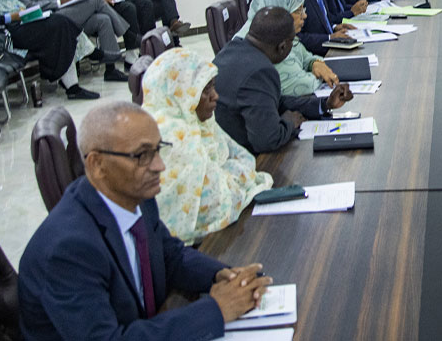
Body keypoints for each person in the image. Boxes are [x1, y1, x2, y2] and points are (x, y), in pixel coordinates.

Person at [18, 102, 273, 340]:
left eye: (158, 150)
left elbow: (170, 256)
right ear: (97, 164)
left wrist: (223, 275)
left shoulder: (135, 196)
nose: (160, 166)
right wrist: (216, 310)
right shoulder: (69, 250)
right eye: (142, 155)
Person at [140, 48, 273, 242]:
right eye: (205, 90)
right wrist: (232, 175)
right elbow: (216, 204)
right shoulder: (174, 137)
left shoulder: (193, 118)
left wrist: (226, 174)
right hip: (183, 247)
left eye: (213, 87)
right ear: (181, 93)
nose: (215, 96)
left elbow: (242, 157)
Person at [213, 7, 353, 153]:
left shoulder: (232, 48)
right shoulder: (261, 70)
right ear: (282, 47)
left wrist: (324, 104)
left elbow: (274, 101)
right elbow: (268, 140)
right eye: (293, 42)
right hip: (239, 155)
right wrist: (290, 123)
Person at [7, 0, 130, 82]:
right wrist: (59, 2)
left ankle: (111, 70)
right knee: (97, 0)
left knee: (102, 19)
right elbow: (28, 6)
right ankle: (129, 35)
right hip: (51, 19)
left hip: (64, 11)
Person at [231, 0, 340, 97]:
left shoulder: (280, 32)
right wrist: (321, 75)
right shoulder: (265, 41)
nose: (305, 16)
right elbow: (301, 85)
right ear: (280, 13)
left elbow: (305, 55)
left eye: (303, 9)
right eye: (298, 11)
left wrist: (314, 63)